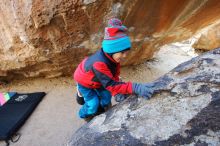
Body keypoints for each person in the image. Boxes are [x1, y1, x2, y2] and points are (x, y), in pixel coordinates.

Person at [73, 18, 154, 121]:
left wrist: (117, 92)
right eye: (122, 52)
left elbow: (114, 76)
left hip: (99, 80)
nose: (124, 56)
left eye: (126, 52)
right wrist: (136, 87)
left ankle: (102, 108)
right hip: (85, 82)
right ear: (112, 50)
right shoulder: (99, 64)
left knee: (106, 98)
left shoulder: (113, 59)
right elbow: (111, 85)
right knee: (93, 104)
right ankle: (84, 114)